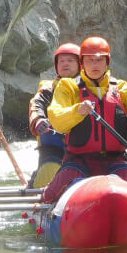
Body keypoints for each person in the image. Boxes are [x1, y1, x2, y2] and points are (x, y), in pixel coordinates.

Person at [42, 36, 127, 203]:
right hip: (78, 160)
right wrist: (77, 111)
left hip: (116, 160)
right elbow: (56, 118)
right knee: (52, 194)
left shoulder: (123, 90)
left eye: (99, 60)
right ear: (82, 63)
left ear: (107, 63)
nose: (95, 64)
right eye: (90, 60)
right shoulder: (68, 87)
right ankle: (46, 202)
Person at [28, 43, 81, 189]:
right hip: (54, 149)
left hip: (84, 150)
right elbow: (36, 104)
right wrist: (38, 120)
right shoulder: (48, 88)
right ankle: (40, 192)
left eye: (70, 61)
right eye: (61, 61)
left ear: (80, 64)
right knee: (49, 169)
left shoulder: (88, 88)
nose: (65, 64)